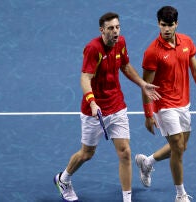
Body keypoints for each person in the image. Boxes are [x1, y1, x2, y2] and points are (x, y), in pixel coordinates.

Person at [53, 12, 161, 202]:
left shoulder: (121, 43)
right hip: (95, 111)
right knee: (87, 154)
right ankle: (63, 179)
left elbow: (126, 67)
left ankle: (127, 199)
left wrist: (143, 84)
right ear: (102, 30)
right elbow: (85, 78)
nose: (115, 31)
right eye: (111, 28)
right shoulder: (93, 49)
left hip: (117, 105)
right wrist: (92, 102)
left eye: (117, 27)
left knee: (125, 152)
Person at [135, 6, 196, 202]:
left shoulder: (186, 42)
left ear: (176, 24)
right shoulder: (152, 52)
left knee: (181, 147)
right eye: (163, 25)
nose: (167, 29)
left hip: (183, 102)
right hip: (164, 105)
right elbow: (147, 86)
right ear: (158, 24)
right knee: (178, 147)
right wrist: (148, 114)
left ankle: (147, 162)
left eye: (170, 25)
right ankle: (180, 195)